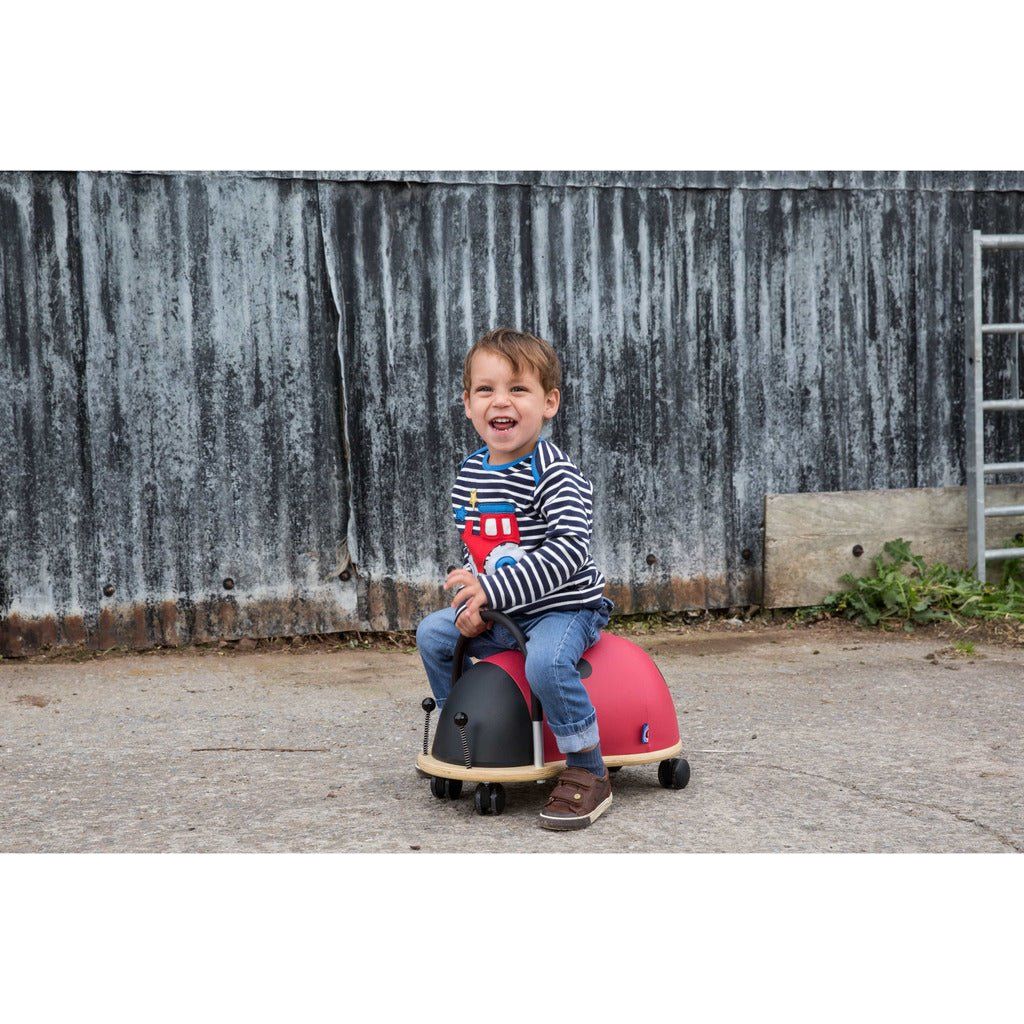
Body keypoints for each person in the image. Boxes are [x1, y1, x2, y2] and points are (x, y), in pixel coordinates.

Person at [416, 327, 615, 830]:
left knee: (546, 662)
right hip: (506, 609)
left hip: (563, 607)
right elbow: (478, 545)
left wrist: (494, 592)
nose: (500, 401)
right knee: (435, 635)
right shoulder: (471, 473)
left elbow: (569, 550)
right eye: (486, 390)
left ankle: (588, 770)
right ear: (466, 403)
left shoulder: (555, 472)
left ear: (549, 402)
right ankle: (468, 734)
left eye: (517, 389)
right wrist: (471, 599)